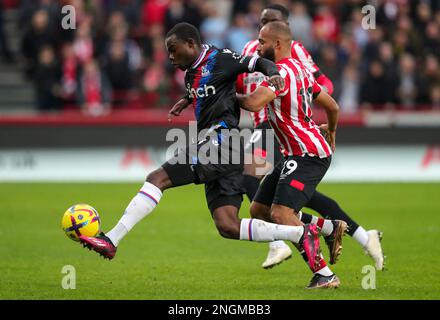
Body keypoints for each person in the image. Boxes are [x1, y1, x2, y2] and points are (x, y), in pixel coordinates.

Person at [78, 22, 330, 287]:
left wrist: (275, 74)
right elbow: (207, 90)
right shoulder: (190, 73)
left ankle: (112, 240)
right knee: (228, 226)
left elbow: (259, 63)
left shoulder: (221, 58)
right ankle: (300, 235)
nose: (171, 58)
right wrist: (187, 99)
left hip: (222, 143)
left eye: (174, 51)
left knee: (158, 178)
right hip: (224, 149)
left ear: (190, 44)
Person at [236, 4, 384, 271]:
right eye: (261, 22)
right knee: (279, 202)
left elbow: (255, 101)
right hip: (281, 134)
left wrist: (298, 109)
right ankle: (348, 232)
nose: (261, 30)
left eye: (269, 23)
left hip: (280, 133)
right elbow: (331, 104)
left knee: (261, 187)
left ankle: (299, 255)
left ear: (282, 32)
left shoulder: (293, 58)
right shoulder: (251, 51)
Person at [236, 21, 343, 289]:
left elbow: (252, 103)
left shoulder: (280, 74)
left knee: (283, 214)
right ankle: (329, 228)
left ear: (278, 44)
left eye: (262, 42)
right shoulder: (302, 70)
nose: (258, 46)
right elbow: (333, 106)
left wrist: (223, 92)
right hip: (296, 152)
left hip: (307, 153)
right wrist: (331, 130)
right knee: (259, 209)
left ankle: (325, 275)